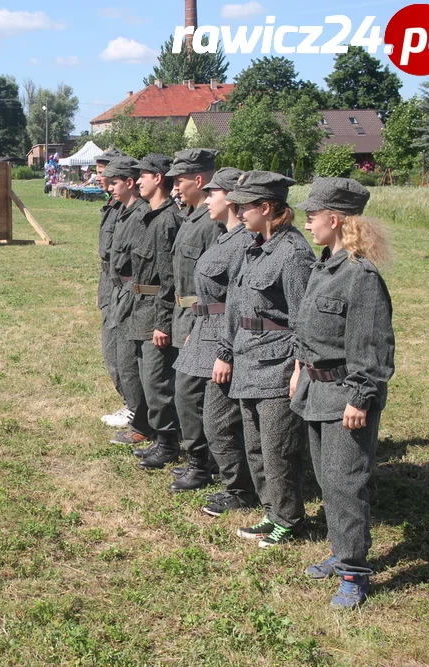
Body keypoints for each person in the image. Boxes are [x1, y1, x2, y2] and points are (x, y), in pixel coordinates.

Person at [290, 178, 395, 608]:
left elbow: (373, 345)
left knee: (346, 483)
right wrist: (299, 369)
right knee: (327, 479)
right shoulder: (323, 266)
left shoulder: (360, 275)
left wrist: (361, 397)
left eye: (312, 215)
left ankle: (353, 571)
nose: (308, 221)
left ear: (334, 220)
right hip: (316, 391)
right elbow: (309, 330)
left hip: (345, 397)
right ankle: (340, 551)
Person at [215, 171, 315, 548]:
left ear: (266, 207)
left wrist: (300, 367)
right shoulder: (254, 247)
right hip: (248, 358)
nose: (238, 212)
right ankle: (272, 510)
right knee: (256, 444)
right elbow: (235, 307)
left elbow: (305, 319)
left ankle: (288, 518)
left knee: (279, 447)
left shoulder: (293, 254)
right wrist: (227, 350)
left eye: (244, 205)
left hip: (278, 363)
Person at [174, 168, 260, 515]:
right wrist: (197, 321)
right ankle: (205, 465)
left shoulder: (244, 242)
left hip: (225, 333)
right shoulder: (225, 237)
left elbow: (240, 298)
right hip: (206, 327)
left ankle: (238, 486)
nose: (207, 198)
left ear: (232, 198)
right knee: (187, 396)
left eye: (214, 193)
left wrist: (228, 343)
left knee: (219, 416)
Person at [110, 154, 183, 467]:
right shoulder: (151, 216)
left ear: (158, 178)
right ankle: (158, 436)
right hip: (138, 306)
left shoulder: (168, 220)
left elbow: (169, 280)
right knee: (143, 377)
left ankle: (167, 444)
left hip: (154, 310)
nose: (137, 181)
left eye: (143, 176)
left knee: (157, 382)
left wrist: (164, 322)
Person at [166, 148, 223, 491]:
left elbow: (216, 281)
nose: (175, 187)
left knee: (192, 394)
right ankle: (202, 461)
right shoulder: (191, 216)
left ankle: (203, 464)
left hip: (202, 317)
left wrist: (199, 325)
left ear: (199, 180)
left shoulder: (212, 224)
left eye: (180, 180)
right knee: (188, 394)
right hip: (185, 314)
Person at [94, 147, 134, 429]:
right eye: (98, 172)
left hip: (124, 286)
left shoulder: (128, 208)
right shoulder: (113, 205)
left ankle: (134, 408)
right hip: (110, 284)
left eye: (104, 173)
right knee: (112, 351)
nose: (100, 178)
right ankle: (130, 404)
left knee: (121, 353)